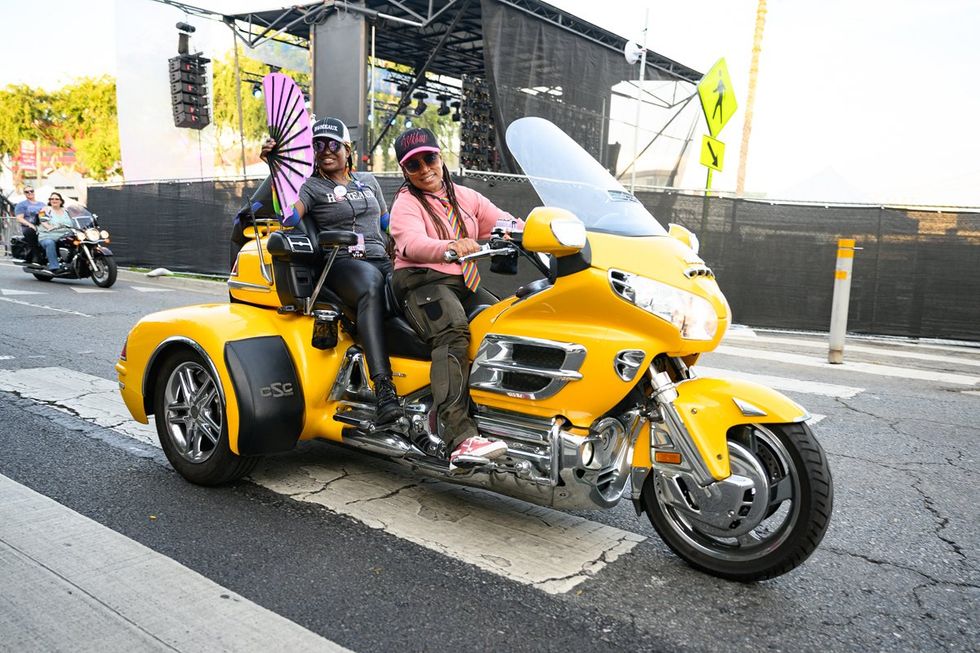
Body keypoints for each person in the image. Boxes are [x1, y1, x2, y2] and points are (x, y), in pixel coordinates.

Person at [388, 127, 522, 469]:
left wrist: (536, 230)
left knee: (506, 326)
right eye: (413, 165)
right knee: (453, 333)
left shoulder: (466, 196)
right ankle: (459, 437)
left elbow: (503, 222)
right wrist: (448, 247)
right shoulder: (406, 202)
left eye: (429, 158)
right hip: (421, 280)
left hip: (462, 280)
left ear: (440, 156)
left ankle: (509, 423)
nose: (425, 169)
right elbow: (410, 243)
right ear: (405, 171)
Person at [260, 117, 402, 424]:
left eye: (333, 144)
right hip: (342, 262)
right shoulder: (311, 187)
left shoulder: (368, 182)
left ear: (347, 150)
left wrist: (414, 239)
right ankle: (384, 387)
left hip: (380, 257)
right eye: (318, 145)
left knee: (414, 285)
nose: (326, 150)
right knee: (371, 284)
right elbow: (287, 216)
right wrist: (275, 171)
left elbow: (386, 223)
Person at [37, 192, 73, 272]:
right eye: (51, 199)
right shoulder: (44, 209)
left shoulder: (67, 210)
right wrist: (49, 227)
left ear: (61, 201)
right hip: (48, 235)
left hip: (65, 235)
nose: (54, 200)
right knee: (50, 243)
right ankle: (54, 266)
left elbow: (76, 218)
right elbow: (42, 220)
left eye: (56, 199)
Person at [14, 186, 46, 263]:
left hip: (41, 226)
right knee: (31, 232)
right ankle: (36, 256)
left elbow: (43, 217)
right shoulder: (21, 205)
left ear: (34, 192)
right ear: (24, 193)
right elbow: (19, 218)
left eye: (31, 191)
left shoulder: (42, 204)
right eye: (27, 192)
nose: (30, 193)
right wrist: (30, 225)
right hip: (28, 227)